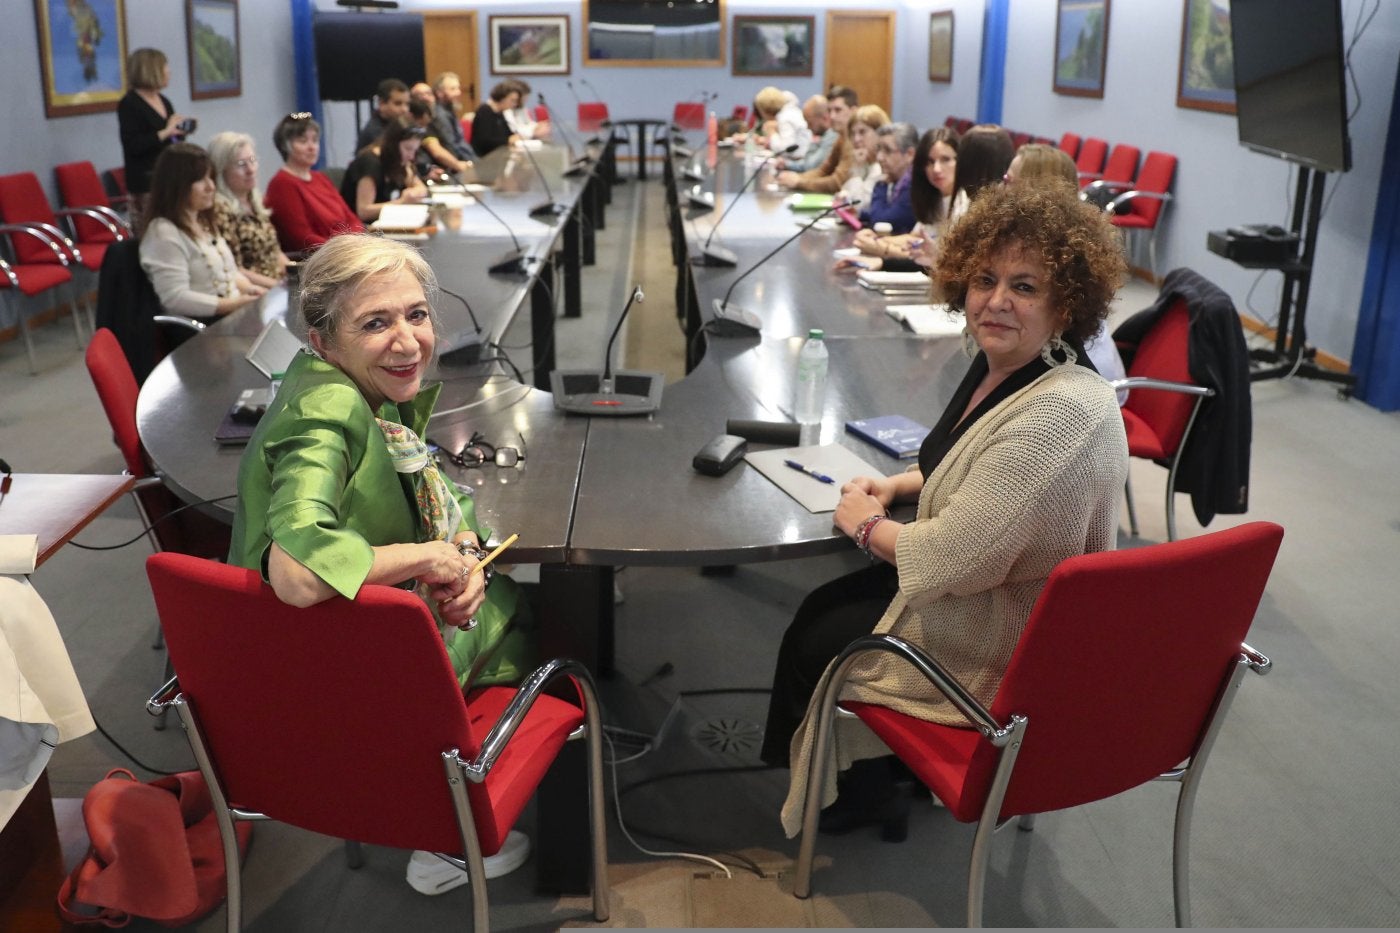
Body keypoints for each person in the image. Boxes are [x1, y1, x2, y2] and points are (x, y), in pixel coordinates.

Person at [766, 184, 1130, 840]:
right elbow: (964, 466)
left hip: (998, 642)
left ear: (1066, 302)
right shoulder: (1007, 364)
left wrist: (865, 523)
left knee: (819, 635)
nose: (996, 300)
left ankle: (865, 790)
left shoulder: (1059, 411)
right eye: (984, 279)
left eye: (1024, 286)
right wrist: (897, 483)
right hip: (985, 585)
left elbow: (951, 557)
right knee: (824, 611)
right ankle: (880, 776)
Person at [227, 233, 535, 893]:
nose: (407, 340)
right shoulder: (325, 411)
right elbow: (297, 571)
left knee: (488, 586)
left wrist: (467, 555)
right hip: (337, 663)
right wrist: (429, 555)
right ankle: (441, 832)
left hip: (327, 645)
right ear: (323, 342)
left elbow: (437, 495)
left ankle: (417, 789)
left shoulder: (356, 391)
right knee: (529, 613)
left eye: (415, 314)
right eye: (376, 322)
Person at [1003, 143, 1128, 398]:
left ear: (1031, 190)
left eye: (1008, 180)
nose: (999, 188)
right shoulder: (1031, 244)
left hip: (1084, 394)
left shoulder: (1062, 260)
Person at [138, 143, 266, 320]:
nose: (211, 187)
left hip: (232, 317)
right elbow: (174, 298)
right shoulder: (163, 233)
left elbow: (228, 272)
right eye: (200, 180)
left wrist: (249, 289)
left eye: (211, 178)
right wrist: (236, 304)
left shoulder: (202, 221)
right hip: (205, 328)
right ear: (177, 184)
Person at [842, 127, 962, 272]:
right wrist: (876, 240)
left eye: (945, 160)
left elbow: (940, 261)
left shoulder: (964, 203)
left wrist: (883, 250)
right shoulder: (933, 196)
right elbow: (915, 238)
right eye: (930, 162)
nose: (936, 169)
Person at [264, 113, 365, 254]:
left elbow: (352, 219)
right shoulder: (282, 185)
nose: (312, 147)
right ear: (285, 146)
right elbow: (302, 238)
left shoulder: (320, 178)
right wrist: (343, 251)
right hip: (323, 260)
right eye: (303, 141)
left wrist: (356, 242)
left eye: (315, 140)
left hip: (347, 251)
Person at [118, 48, 194, 235]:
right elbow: (133, 144)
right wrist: (165, 132)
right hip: (145, 181)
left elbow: (171, 139)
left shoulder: (163, 100)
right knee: (153, 234)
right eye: (165, 67)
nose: (169, 72)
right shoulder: (129, 104)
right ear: (151, 70)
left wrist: (180, 130)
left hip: (169, 177)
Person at [207, 131, 289, 287]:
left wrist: (295, 276)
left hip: (278, 286)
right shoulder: (219, 210)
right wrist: (279, 287)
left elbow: (275, 252)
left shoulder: (255, 202)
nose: (250, 169)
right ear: (221, 170)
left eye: (252, 160)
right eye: (241, 164)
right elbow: (235, 269)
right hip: (253, 292)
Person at [340, 116, 429, 222]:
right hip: (360, 229)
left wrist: (415, 192)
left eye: (414, 150)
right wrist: (402, 202)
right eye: (408, 149)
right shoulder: (370, 163)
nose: (411, 156)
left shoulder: (400, 161)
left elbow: (420, 187)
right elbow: (363, 211)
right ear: (393, 145)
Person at [777, 92, 855, 193]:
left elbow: (837, 183)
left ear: (853, 111)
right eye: (830, 110)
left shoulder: (854, 140)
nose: (832, 116)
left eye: (838, 110)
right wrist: (796, 178)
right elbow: (823, 171)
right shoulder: (841, 137)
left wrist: (799, 182)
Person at [858, 122, 919, 234]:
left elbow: (881, 222)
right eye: (879, 149)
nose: (879, 157)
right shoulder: (897, 179)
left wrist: (881, 185)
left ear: (910, 154)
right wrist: (859, 214)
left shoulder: (916, 185)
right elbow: (888, 212)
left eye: (887, 150)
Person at [836, 104, 890, 206]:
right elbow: (844, 196)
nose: (856, 139)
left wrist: (856, 171)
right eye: (853, 133)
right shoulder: (864, 162)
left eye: (862, 132)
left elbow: (858, 206)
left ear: (880, 133)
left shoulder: (883, 166)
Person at [429, 72, 479, 165]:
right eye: (453, 89)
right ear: (439, 93)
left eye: (458, 88)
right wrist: (474, 164)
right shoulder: (440, 115)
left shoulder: (449, 111)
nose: (458, 92)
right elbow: (451, 147)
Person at [777, 96, 837, 174]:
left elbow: (811, 166)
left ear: (824, 118)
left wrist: (789, 166)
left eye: (810, 123)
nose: (808, 127)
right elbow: (807, 161)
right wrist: (787, 164)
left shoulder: (833, 135)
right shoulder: (822, 135)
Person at [752, 86, 811, 156]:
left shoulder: (785, 118)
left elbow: (784, 150)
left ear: (766, 110)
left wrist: (772, 132)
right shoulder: (791, 111)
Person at [355, 78, 410, 152]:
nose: (404, 109)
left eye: (407, 104)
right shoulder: (374, 134)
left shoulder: (400, 125)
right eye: (398, 104)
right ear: (382, 104)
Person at [471, 82, 520, 158]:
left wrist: (515, 137)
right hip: (486, 156)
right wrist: (507, 141)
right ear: (502, 98)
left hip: (498, 153)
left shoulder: (500, 113)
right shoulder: (484, 111)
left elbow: (508, 134)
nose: (515, 104)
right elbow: (484, 142)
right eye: (512, 100)